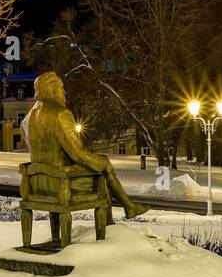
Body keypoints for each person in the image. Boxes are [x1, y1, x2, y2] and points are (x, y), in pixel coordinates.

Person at [21, 71, 150, 219]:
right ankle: (123, 212)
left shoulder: (26, 120)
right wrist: (100, 163)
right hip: (61, 183)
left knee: (100, 168)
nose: (64, 92)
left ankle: (128, 208)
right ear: (53, 90)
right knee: (103, 168)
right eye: (61, 88)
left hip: (37, 185)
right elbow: (77, 154)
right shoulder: (60, 114)